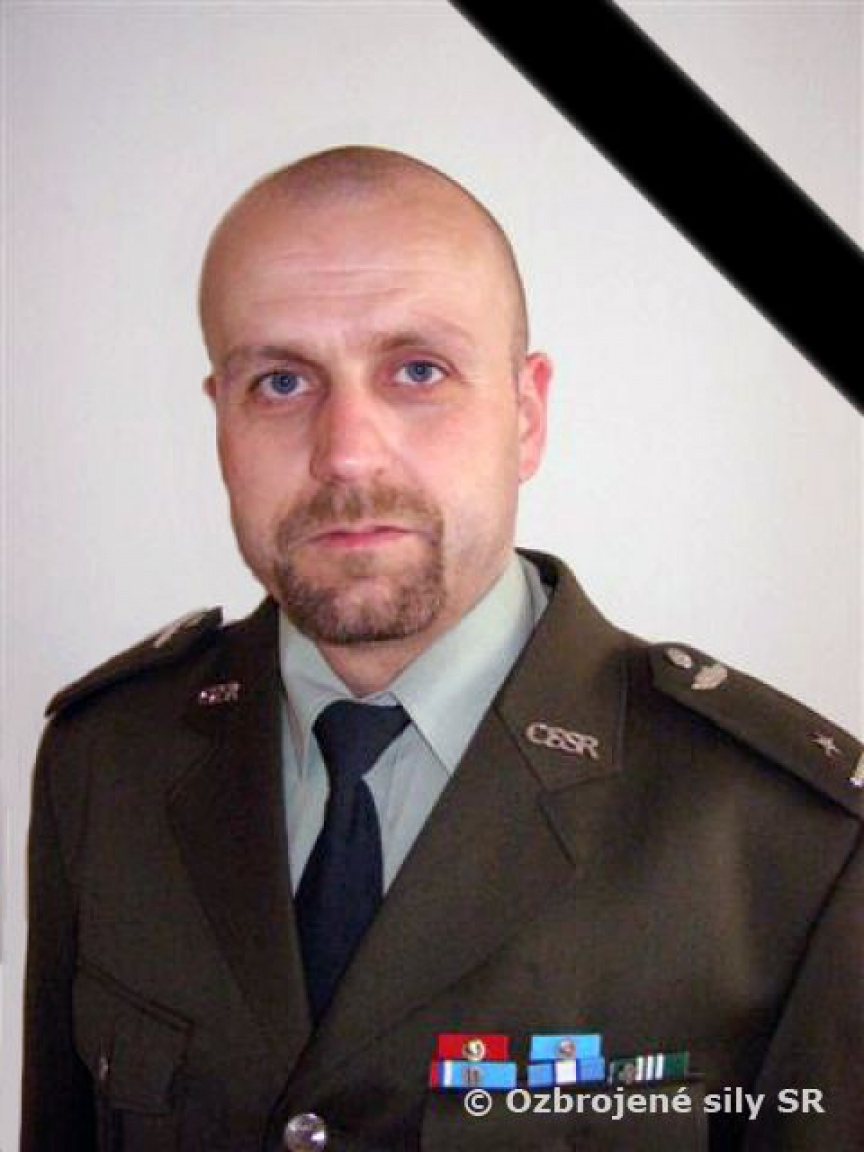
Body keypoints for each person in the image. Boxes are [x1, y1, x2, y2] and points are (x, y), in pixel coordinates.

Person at [21, 146, 863, 1152]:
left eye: (418, 371)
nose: (346, 453)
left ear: (526, 416)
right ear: (222, 425)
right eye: (281, 381)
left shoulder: (784, 838)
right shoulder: (106, 761)